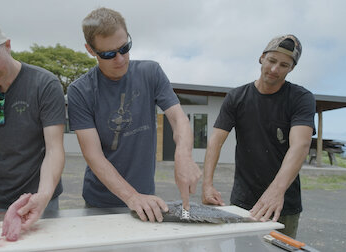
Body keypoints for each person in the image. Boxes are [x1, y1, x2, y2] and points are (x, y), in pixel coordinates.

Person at [67, 7, 202, 222]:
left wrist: (183, 156)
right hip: (99, 202)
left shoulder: (151, 72)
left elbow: (178, 119)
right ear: (90, 50)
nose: (120, 59)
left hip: (146, 197)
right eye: (109, 54)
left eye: (125, 48)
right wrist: (132, 196)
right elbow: (93, 155)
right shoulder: (79, 91)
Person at [201, 34, 316, 238]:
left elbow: (300, 145)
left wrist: (276, 191)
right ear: (262, 57)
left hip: (283, 203)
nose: (274, 69)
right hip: (243, 201)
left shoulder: (301, 98)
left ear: (292, 68)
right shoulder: (236, 97)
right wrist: (207, 184)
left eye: (283, 65)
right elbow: (215, 141)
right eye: (271, 61)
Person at [0, 18, 66, 230]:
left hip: (38, 196)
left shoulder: (45, 85)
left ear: (7, 46)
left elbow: (54, 149)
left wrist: (43, 195)